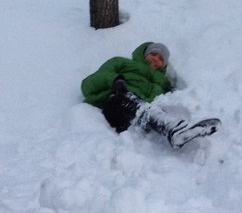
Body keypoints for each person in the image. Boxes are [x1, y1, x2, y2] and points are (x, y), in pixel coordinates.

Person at [81, 41, 220, 149]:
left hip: (136, 121)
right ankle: (174, 129)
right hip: (115, 103)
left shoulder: (162, 84)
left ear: (163, 65)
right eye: (153, 54)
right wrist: (116, 81)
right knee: (132, 103)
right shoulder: (121, 62)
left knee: (147, 110)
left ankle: (179, 130)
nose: (156, 59)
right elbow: (88, 84)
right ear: (144, 54)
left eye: (161, 58)